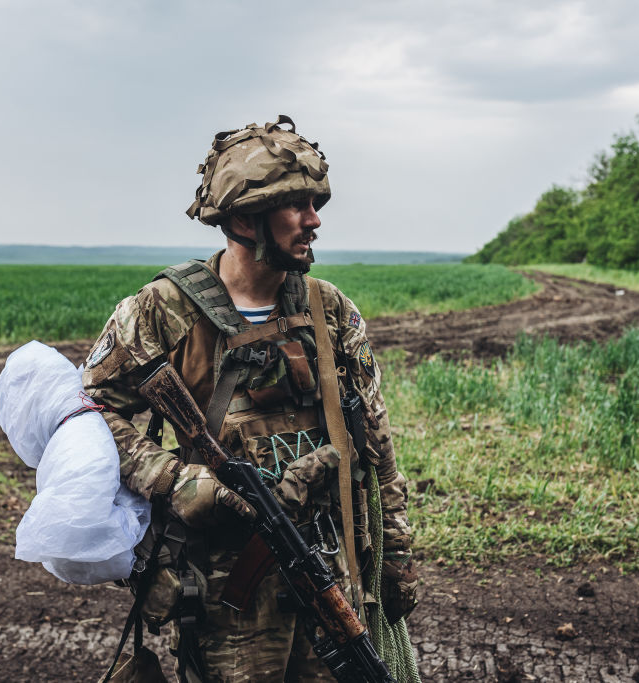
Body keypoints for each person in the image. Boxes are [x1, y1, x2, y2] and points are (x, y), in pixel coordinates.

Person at [83, 115, 418, 682]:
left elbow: (375, 439)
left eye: (316, 203)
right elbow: (90, 412)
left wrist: (396, 552)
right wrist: (172, 478)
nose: (314, 221)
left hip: (332, 569)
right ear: (243, 218)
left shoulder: (329, 309)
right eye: (297, 206)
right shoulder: (163, 309)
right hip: (226, 591)